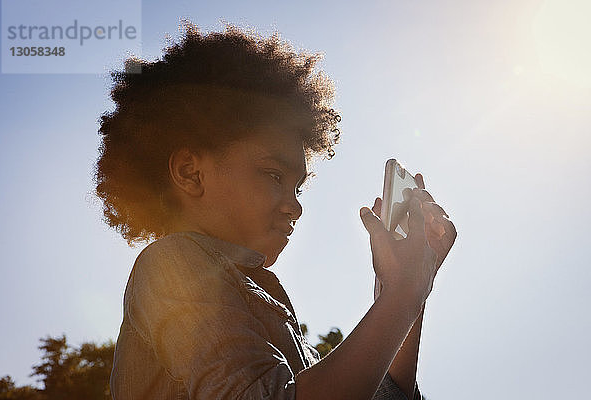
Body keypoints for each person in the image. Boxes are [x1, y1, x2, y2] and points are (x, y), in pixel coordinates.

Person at [94, 20, 456, 400]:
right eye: (273, 174)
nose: (296, 206)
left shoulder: (273, 316)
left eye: (298, 187)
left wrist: (406, 292)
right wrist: (403, 295)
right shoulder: (171, 265)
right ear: (190, 172)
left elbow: (381, 394)